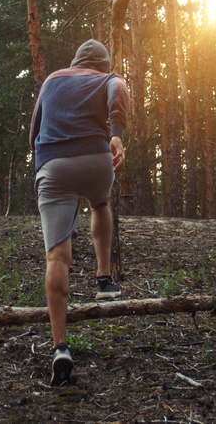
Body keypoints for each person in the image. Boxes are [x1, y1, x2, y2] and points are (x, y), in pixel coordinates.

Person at [29, 39, 130, 386]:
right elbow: (119, 87)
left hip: (52, 163)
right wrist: (115, 134)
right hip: (95, 157)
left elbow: (33, 132)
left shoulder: (53, 80)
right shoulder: (106, 77)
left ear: (74, 62)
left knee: (56, 258)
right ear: (102, 65)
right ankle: (103, 279)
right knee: (99, 203)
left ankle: (60, 346)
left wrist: (47, 159)